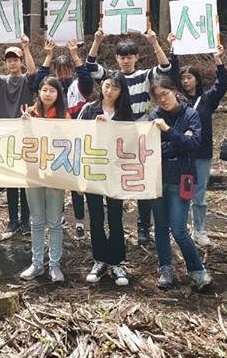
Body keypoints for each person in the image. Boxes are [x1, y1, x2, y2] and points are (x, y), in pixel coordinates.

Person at [87, 28, 172, 246]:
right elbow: (90, 67)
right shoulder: (111, 78)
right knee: (116, 178)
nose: (126, 61)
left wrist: (154, 43)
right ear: (117, 58)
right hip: (114, 133)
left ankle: (144, 228)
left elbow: (165, 68)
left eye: (129, 57)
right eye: (122, 57)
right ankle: (118, 227)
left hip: (140, 132)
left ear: (136, 57)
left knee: (141, 179)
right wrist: (97, 41)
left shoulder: (143, 75)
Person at [147, 78, 212, 290]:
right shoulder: (154, 116)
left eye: (165, 93)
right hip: (158, 179)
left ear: (174, 91)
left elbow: (194, 143)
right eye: (158, 97)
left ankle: (197, 271)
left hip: (182, 178)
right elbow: (152, 149)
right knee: (161, 228)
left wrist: (168, 132)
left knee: (179, 229)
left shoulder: (189, 114)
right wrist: (179, 142)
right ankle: (165, 268)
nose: (163, 99)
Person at [167, 38, 227, 247]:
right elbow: (171, 77)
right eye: (183, 78)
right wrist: (173, 51)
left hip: (202, 153)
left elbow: (222, 84)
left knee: (200, 194)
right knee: (182, 191)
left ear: (197, 79)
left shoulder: (207, 99)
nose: (185, 81)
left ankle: (199, 229)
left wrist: (218, 60)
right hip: (181, 152)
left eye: (189, 77)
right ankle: (179, 229)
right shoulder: (177, 100)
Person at [77, 73, 132, 286]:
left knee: (116, 216)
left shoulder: (125, 113)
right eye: (107, 86)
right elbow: (78, 136)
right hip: (93, 170)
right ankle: (99, 260)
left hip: (116, 172)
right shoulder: (89, 109)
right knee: (96, 216)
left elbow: (131, 140)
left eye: (115, 88)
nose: (109, 91)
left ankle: (117, 261)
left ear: (121, 92)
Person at [37, 38, 93, 239]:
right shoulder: (50, 88)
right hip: (54, 144)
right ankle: (58, 216)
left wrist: (75, 56)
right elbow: (38, 82)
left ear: (71, 69)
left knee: (76, 186)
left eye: (65, 69)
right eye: (58, 69)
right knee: (58, 181)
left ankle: (79, 221)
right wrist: (48, 56)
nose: (62, 73)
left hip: (77, 143)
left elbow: (87, 79)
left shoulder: (78, 86)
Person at [0, 35, 38, 233]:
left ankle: (25, 220)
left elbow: (32, 73)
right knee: (11, 180)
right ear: (6, 63)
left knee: (26, 181)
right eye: (9, 60)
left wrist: (26, 47)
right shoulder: (2, 82)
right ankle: (12, 219)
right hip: (7, 136)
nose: (12, 63)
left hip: (26, 135)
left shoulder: (27, 82)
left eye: (16, 59)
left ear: (21, 61)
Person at [20, 77, 69, 282]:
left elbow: (69, 144)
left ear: (58, 94)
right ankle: (37, 263)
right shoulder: (29, 113)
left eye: (52, 90)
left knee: (54, 221)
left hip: (56, 174)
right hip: (33, 173)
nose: (48, 94)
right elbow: (21, 142)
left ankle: (55, 264)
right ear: (39, 92)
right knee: (37, 220)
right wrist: (23, 124)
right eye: (44, 89)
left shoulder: (64, 117)